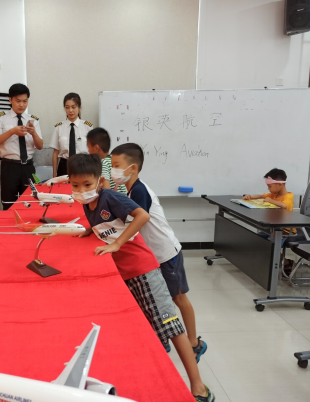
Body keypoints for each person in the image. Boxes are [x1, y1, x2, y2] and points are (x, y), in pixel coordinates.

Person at [68, 154, 214, 402]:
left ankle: (199, 387)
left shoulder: (110, 197)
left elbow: (142, 216)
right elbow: (105, 222)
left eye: (87, 185)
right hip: (124, 273)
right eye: (75, 185)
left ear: (100, 181)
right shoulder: (88, 203)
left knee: (171, 325)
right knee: (145, 327)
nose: (81, 191)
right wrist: (88, 230)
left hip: (142, 270)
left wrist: (117, 244)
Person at [110, 143, 207, 363]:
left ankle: (194, 343)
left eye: (117, 165)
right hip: (152, 256)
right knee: (157, 299)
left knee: (178, 297)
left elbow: (135, 220)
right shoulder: (131, 189)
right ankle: (163, 338)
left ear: (133, 168)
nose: (113, 170)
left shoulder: (140, 190)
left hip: (166, 254)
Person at [0, 83, 43, 210]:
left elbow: (40, 146)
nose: (22, 105)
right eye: (18, 101)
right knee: (8, 203)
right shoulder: (0, 118)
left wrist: (34, 133)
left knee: (31, 203)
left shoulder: (33, 120)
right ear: (10, 99)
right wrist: (12, 131)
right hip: (9, 167)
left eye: (25, 101)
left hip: (28, 167)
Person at [244, 168, 295, 271]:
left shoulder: (288, 196)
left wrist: (270, 200)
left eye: (269, 186)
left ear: (279, 184)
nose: (268, 189)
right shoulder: (274, 194)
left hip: (284, 231)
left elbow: (284, 205)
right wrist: (250, 197)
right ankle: (282, 261)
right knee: (258, 241)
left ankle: (285, 262)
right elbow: (262, 196)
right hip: (272, 228)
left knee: (270, 247)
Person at [49, 93, 92, 177]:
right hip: (64, 166)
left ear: (79, 107)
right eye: (67, 107)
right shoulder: (59, 127)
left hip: (83, 165)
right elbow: (55, 152)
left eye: (73, 107)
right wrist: (54, 174)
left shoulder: (87, 127)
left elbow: (92, 151)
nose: (70, 110)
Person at [86, 127, 127, 195]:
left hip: (115, 199)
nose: (88, 151)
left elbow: (106, 190)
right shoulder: (113, 159)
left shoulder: (103, 163)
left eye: (88, 147)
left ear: (96, 148)